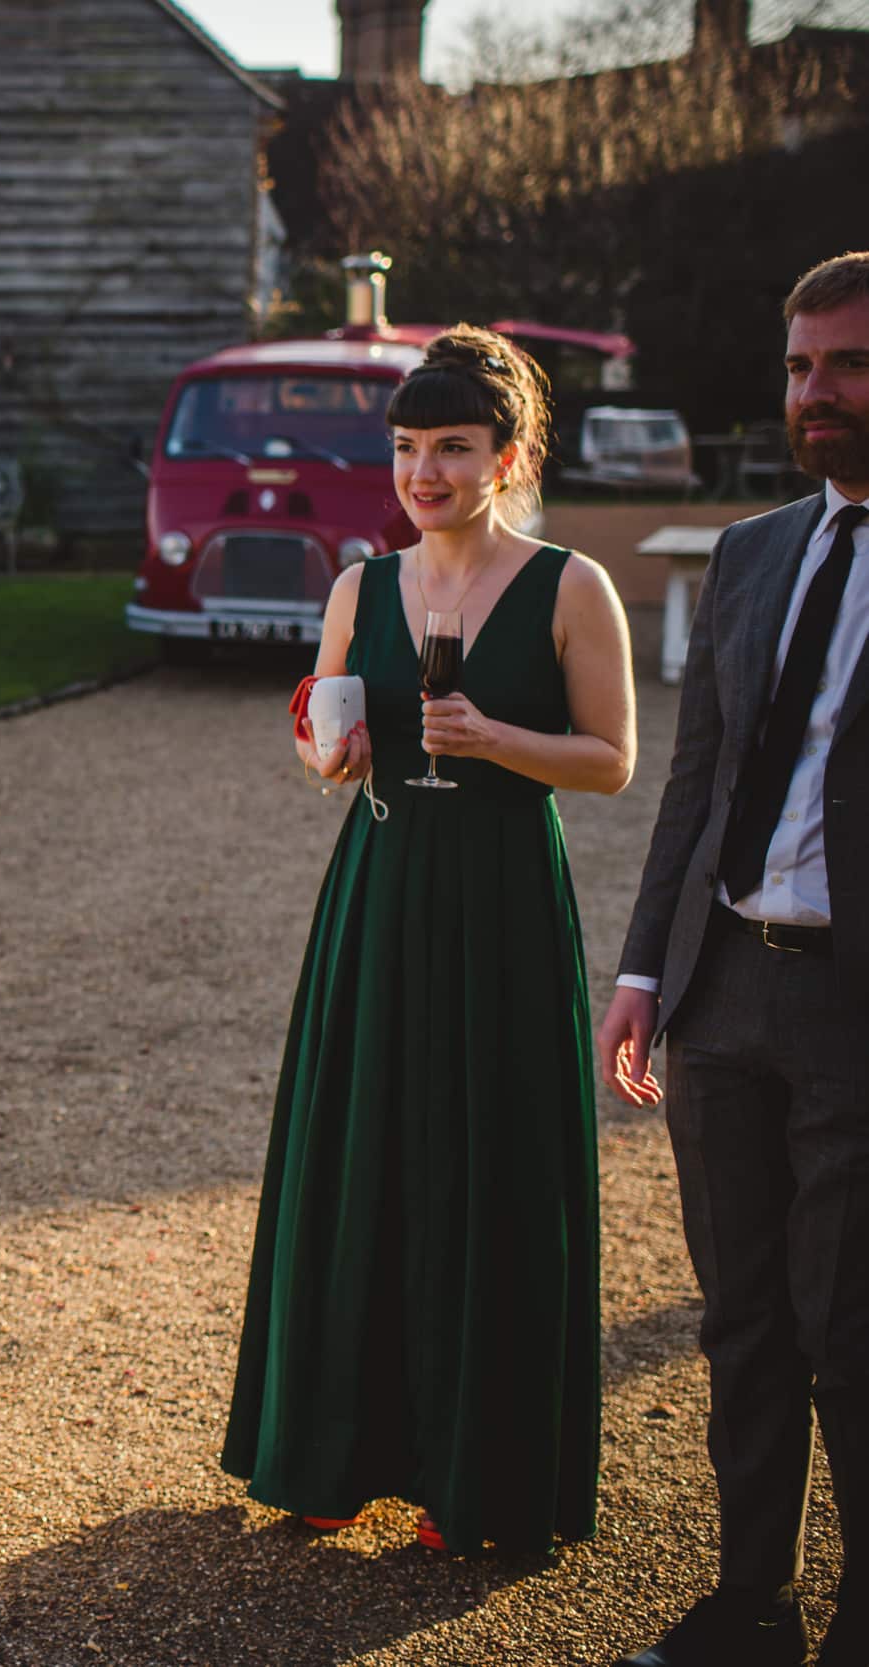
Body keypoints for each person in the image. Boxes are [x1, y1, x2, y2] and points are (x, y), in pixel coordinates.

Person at [221, 326, 638, 1558]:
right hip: (382, 887)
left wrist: (495, 734)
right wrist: (325, 754)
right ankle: (335, 1453)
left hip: (504, 896)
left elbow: (613, 760)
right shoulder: (361, 586)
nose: (425, 473)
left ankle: (478, 1477)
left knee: (489, 1166)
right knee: (362, 1156)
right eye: (408, 449)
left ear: (504, 456)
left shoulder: (571, 584)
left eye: (452, 448)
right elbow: (320, 727)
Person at [603, 252, 869, 1667]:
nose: (814, 393)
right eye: (798, 366)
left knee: (853, 1331)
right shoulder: (759, 550)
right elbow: (696, 782)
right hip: (725, 992)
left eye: (846, 365)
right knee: (745, 1318)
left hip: (855, 1005)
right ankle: (751, 1602)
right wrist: (648, 967)